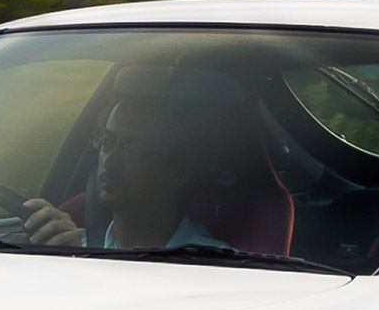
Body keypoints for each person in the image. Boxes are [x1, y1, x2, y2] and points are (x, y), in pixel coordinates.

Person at [20, 93, 234, 251]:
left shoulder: (217, 265)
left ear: (179, 172)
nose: (110, 161)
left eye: (134, 149)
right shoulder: (71, 246)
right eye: (107, 141)